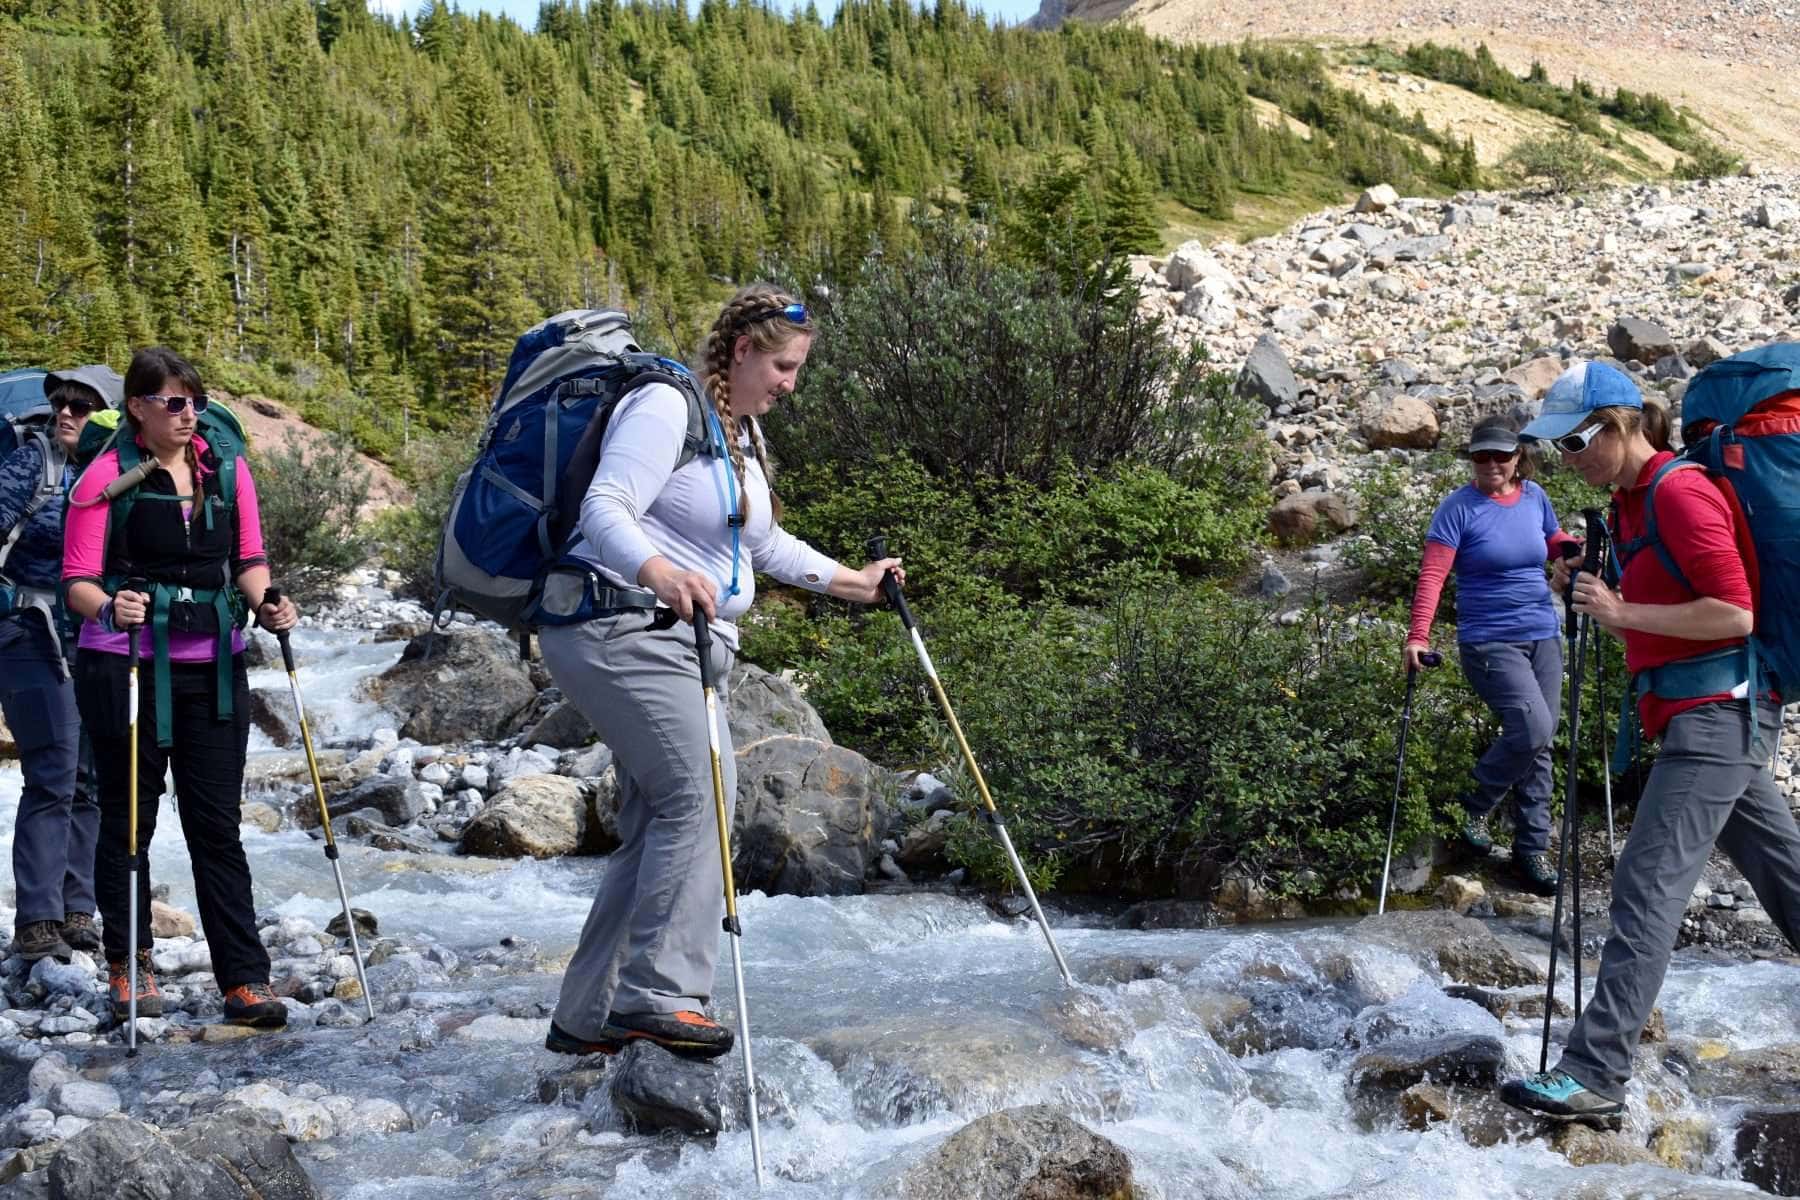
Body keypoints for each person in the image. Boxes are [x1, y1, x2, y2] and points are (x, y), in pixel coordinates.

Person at [540, 284, 900, 1058]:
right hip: (620, 623)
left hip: (678, 638)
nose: (789, 384)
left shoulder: (735, 435)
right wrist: (660, 570)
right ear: (741, 351)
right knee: (701, 793)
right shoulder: (666, 408)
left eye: (797, 370)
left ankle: (587, 1015)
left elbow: (760, 549)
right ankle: (659, 997)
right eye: (782, 366)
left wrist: (855, 583)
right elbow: (605, 509)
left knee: (659, 821)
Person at [1500, 361, 1800, 1121]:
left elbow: (1734, 614)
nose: (1565, 460)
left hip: (1718, 713)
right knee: (1789, 884)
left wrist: (1620, 614)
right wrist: (1583, 584)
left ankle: (1596, 1073)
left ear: (1620, 426)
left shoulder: (1680, 491)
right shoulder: (1630, 504)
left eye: (1574, 443)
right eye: (1559, 447)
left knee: (1645, 882)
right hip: (1699, 717)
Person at [62, 346, 298, 1028]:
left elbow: (248, 559)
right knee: (129, 822)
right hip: (126, 662)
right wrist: (109, 607)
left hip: (215, 668)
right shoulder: (105, 477)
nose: (188, 413)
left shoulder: (227, 471)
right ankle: (128, 964)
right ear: (138, 407)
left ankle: (245, 981)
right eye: (173, 402)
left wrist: (268, 604)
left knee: (216, 826)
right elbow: (77, 579)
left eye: (193, 400)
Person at [1405, 415, 1577, 897]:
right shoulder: (1457, 509)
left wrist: (1574, 548)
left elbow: (1552, 541)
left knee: (1540, 741)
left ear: (1518, 457)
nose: (1491, 464)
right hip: (1489, 640)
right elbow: (1433, 576)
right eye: (1482, 456)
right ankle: (1473, 805)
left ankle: (1531, 849)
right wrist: (1418, 635)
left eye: (1501, 455)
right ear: (1472, 459)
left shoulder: (1535, 496)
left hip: (1542, 632)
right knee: (1533, 727)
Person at [1, 366, 118, 962]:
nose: (65, 413)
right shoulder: (31, 465)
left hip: (94, 635)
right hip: (26, 630)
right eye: (58, 404)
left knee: (92, 775)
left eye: (81, 405)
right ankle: (37, 921)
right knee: (53, 768)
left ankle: (80, 910)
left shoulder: (115, 475)